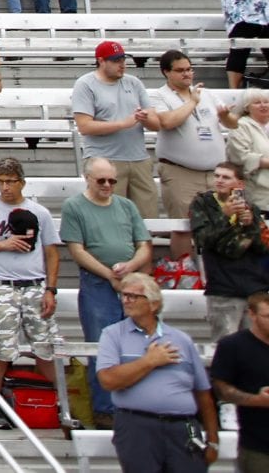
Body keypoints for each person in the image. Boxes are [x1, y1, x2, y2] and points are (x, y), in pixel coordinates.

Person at [0, 157, 61, 412]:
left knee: (45, 343)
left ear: (22, 182)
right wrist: (2, 244)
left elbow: (51, 252)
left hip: (35, 285)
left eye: (10, 181)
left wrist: (51, 289)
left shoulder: (40, 212)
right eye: (0, 182)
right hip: (3, 285)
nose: (5, 187)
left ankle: (57, 400)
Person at [64, 157, 155, 419]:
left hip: (132, 281)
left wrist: (129, 267)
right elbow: (77, 250)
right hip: (97, 283)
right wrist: (109, 274)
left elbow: (144, 245)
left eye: (112, 180)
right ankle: (105, 411)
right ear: (87, 178)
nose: (107, 185)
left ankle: (134, 406)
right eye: (101, 180)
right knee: (102, 348)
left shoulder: (126, 205)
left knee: (136, 345)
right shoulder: (74, 206)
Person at [96, 273, 215, 473]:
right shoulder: (112, 334)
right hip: (137, 427)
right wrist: (149, 362)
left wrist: (213, 439)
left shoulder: (181, 339)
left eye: (133, 296)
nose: (126, 300)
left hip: (182, 427)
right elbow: (107, 380)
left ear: (153, 304)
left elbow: (203, 393)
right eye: (124, 295)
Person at [74, 41, 163, 217]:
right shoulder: (85, 84)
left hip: (139, 158)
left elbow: (156, 123)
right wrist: (123, 123)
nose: (122, 64)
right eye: (115, 60)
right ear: (101, 61)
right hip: (105, 161)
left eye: (123, 59)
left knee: (148, 217)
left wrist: (145, 119)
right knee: (109, 217)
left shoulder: (134, 83)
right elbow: (84, 126)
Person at [188, 163, 269, 343]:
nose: (219, 180)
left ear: (240, 184)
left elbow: (263, 247)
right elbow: (203, 240)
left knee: (257, 349)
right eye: (217, 176)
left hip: (254, 289)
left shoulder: (251, 208)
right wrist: (224, 216)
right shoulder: (203, 204)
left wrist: (251, 225)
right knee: (225, 347)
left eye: (226, 177)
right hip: (223, 288)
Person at [207, 291, 269, 473]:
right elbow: (221, 389)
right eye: (267, 316)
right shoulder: (232, 346)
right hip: (258, 446)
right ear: (252, 314)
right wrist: (256, 400)